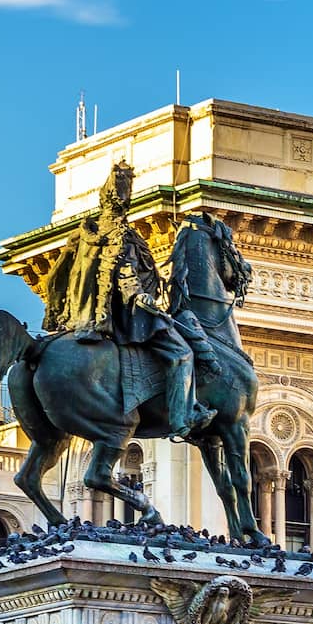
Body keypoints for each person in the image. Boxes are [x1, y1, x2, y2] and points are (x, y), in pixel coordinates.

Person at [43, 161, 216, 439]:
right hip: (127, 317)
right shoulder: (120, 235)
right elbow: (124, 274)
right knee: (181, 354)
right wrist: (140, 296)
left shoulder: (85, 234)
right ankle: (183, 417)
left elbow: (61, 277)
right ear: (124, 202)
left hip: (89, 317)